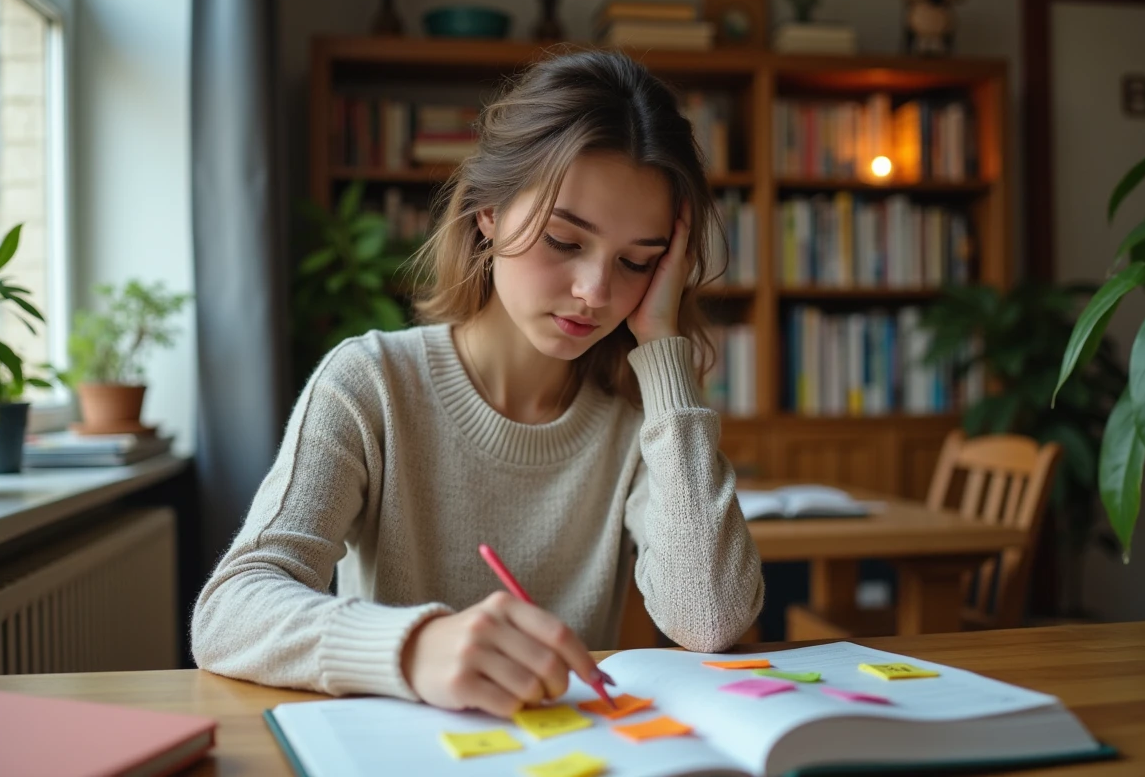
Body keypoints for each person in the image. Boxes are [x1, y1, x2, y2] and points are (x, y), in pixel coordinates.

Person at [191, 49, 764, 719]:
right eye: (563, 240)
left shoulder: (641, 419)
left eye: (638, 262)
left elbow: (712, 619)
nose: (595, 292)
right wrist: (415, 649)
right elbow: (230, 610)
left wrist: (664, 348)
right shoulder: (371, 383)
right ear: (488, 212)